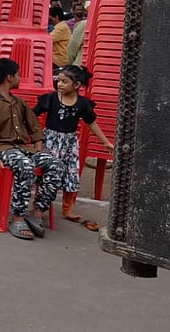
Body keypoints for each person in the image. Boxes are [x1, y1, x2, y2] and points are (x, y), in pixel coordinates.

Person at [0, 59, 64, 240]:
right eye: (17, 75)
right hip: (3, 149)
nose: (19, 78)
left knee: (56, 165)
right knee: (25, 166)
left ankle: (37, 212)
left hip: (24, 148)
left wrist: (39, 149)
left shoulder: (19, 103)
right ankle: (18, 217)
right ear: (9, 77)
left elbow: (35, 128)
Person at [33, 65, 113, 232]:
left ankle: (67, 209)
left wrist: (105, 142)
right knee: (46, 174)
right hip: (51, 142)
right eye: (59, 80)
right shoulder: (51, 99)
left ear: (76, 85)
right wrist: (36, 137)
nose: (60, 84)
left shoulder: (83, 104)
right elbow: (33, 115)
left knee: (71, 175)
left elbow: (91, 123)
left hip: (70, 145)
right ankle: (39, 203)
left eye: (64, 81)